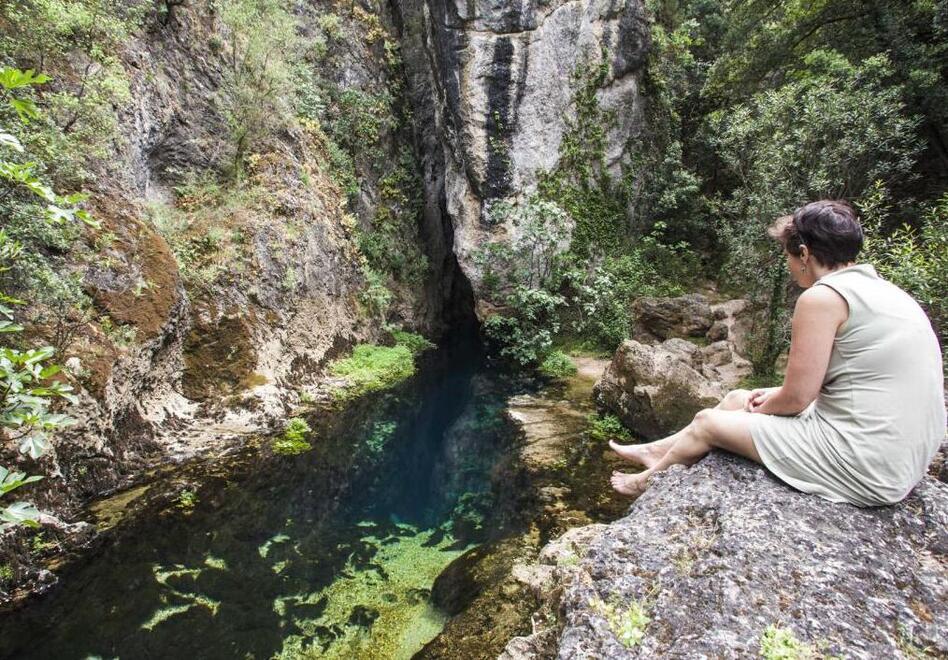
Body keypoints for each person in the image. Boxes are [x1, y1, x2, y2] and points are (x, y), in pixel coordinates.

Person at [609, 200, 946, 506]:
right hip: (903, 459)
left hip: (866, 464)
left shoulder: (822, 298)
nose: (788, 264)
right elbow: (855, 380)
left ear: (804, 253)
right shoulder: (885, 291)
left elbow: (798, 398)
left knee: (708, 423)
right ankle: (656, 451)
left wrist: (770, 405)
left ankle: (645, 483)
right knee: (737, 399)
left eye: (787, 254)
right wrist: (768, 398)